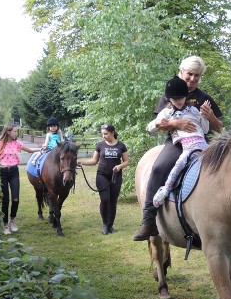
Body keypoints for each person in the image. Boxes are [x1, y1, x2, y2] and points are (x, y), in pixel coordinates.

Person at [134, 55, 223, 241]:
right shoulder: (170, 92)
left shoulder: (204, 98)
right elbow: (159, 124)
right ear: (181, 71)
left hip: (202, 142)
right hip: (176, 142)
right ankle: (148, 220)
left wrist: (210, 116)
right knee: (159, 167)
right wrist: (178, 122)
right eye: (190, 74)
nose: (192, 79)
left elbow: (218, 127)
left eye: (197, 76)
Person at [150, 76, 210, 207]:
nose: (179, 101)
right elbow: (150, 127)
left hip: (203, 144)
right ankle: (165, 189)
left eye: (181, 98)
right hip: (187, 146)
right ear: (169, 99)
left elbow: (205, 130)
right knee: (179, 164)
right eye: (175, 99)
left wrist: (205, 117)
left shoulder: (193, 110)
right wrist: (160, 123)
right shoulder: (166, 112)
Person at [78, 124, 130, 235]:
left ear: (112, 132)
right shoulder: (100, 145)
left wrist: (119, 166)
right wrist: (81, 162)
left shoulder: (121, 146)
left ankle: (111, 225)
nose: (104, 136)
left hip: (116, 176)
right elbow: (94, 161)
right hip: (102, 176)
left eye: (106, 133)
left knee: (113, 201)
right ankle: (105, 224)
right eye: (102, 134)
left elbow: (126, 161)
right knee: (105, 200)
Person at [0, 124, 42, 235]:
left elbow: (29, 150)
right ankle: (5, 225)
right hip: (3, 173)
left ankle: (12, 221)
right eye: (15, 131)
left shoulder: (17, 143)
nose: (16, 133)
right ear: (8, 132)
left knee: (16, 199)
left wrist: (41, 149)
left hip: (14, 172)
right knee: (5, 200)